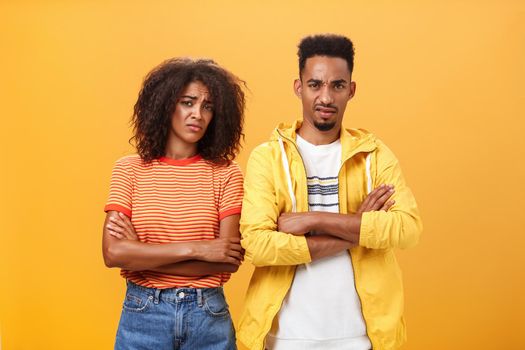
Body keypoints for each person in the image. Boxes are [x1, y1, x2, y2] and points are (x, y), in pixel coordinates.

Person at [238, 34, 423, 350]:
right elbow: (257, 245)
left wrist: (313, 219)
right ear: (299, 87)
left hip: (361, 336)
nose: (326, 96)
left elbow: (407, 229)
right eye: (315, 85)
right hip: (286, 337)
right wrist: (357, 228)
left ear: (351, 90)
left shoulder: (375, 155)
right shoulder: (268, 157)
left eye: (337, 85)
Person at [102, 57, 246, 350]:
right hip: (143, 314)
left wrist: (141, 253)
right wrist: (200, 249)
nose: (198, 114)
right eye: (188, 102)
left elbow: (227, 261)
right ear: (166, 104)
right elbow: (113, 252)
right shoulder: (129, 169)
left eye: (208, 106)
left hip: (208, 317)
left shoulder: (227, 173)